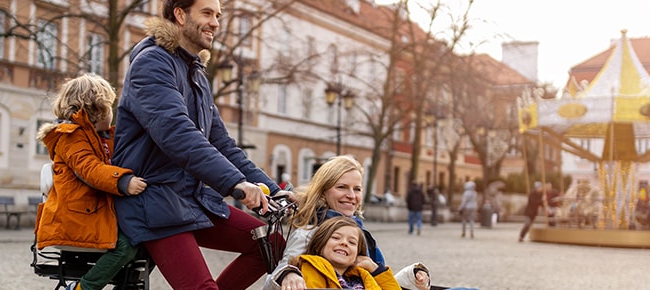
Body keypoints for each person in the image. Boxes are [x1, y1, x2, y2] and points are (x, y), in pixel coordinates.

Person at [109, 0, 282, 288]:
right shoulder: (152, 64)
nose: (215, 22)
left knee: (272, 244)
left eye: (217, 15)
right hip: (155, 201)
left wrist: (276, 192)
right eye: (206, 13)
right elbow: (177, 134)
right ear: (180, 14)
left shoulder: (195, 73)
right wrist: (235, 184)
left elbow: (223, 145)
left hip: (192, 199)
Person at [34, 74, 149, 290]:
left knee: (147, 238)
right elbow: (90, 170)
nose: (112, 113)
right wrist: (124, 180)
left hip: (93, 212)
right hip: (77, 217)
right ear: (96, 110)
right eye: (109, 107)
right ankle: (83, 288)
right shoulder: (71, 137)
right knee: (126, 245)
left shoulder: (101, 137)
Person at [265, 156, 449, 290]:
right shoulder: (309, 232)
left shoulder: (359, 230)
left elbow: (377, 277)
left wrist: (414, 278)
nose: (352, 196)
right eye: (342, 187)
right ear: (323, 192)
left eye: (357, 189)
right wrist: (288, 273)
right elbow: (273, 281)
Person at [286, 216, 400, 289]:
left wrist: (374, 268)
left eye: (352, 242)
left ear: (357, 253)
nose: (344, 243)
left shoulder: (362, 275)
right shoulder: (314, 267)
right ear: (319, 244)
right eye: (336, 238)